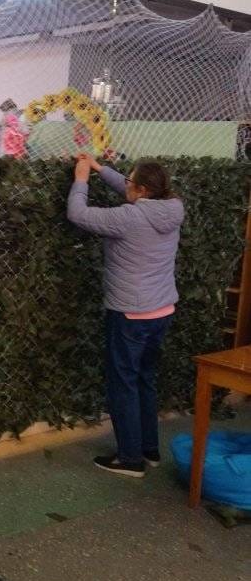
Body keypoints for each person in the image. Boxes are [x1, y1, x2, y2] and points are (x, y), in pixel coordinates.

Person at [67, 153, 184, 478]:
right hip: (162, 311)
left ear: (143, 190)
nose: (126, 185)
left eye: (130, 182)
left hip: (131, 314)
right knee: (145, 378)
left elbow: (78, 214)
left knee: (124, 383)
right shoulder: (173, 207)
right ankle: (149, 449)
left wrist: (81, 178)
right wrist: (100, 167)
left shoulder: (128, 218)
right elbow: (131, 188)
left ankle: (130, 458)